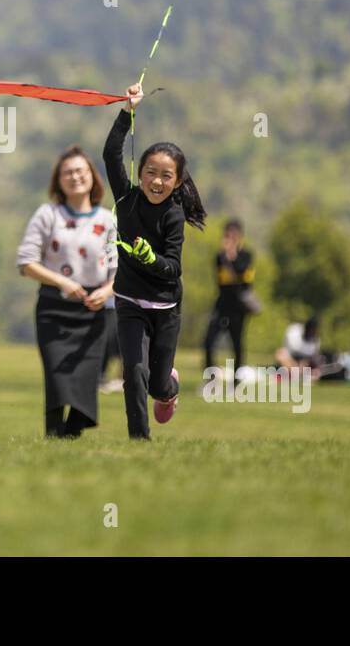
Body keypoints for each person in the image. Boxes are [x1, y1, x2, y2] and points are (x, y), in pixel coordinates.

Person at [103, 83, 206, 440]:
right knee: (134, 372)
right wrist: (127, 111)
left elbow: (173, 268)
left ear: (177, 182)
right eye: (150, 172)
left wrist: (150, 258)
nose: (156, 181)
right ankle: (139, 441)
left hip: (166, 307)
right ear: (141, 171)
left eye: (166, 176)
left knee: (157, 385)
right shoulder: (126, 199)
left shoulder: (174, 216)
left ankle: (169, 389)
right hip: (129, 301)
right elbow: (111, 153)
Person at [17, 146, 117, 438]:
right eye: (67, 172)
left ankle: (70, 436)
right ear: (58, 180)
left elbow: (118, 269)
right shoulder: (48, 215)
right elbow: (26, 262)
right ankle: (52, 432)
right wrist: (62, 283)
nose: (75, 177)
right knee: (57, 373)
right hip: (53, 307)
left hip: (94, 309)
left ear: (92, 177)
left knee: (86, 378)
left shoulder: (108, 221)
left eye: (80, 171)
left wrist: (107, 292)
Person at [204, 219, 257, 374]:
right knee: (209, 341)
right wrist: (226, 256)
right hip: (222, 305)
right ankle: (211, 378)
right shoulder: (220, 257)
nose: (229, 240)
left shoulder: (246, 255)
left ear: (239, 236)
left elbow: (243, 276)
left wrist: (231, 256)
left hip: (238, 307)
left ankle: (236, 380)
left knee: (237, 344)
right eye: (227, 236)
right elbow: (220, 281)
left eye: (232, 236)